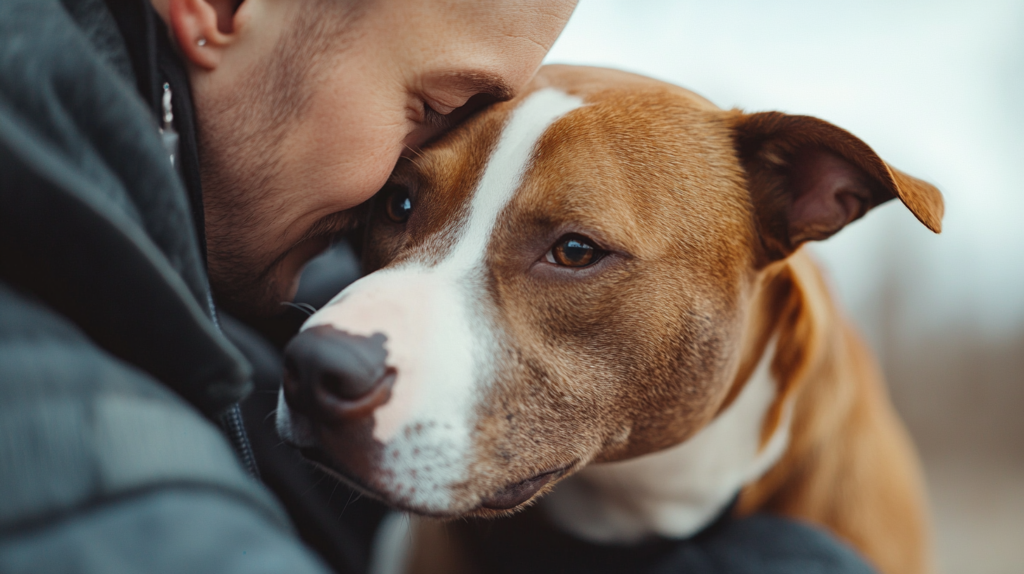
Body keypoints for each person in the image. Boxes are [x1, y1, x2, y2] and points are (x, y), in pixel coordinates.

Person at [0, 0, 879, 572]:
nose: (336, 334)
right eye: (408, 194)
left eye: (574, 248)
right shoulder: (57, 339)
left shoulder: (218, 245)